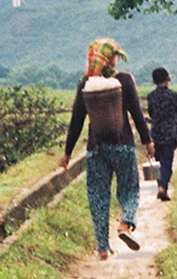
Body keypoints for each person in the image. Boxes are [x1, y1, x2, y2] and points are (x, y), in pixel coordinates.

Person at [60, 38, 154, 260]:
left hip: (96, 149)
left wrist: (67, 152)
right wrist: (147, 140)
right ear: (111, 59)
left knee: (98, 195)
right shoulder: (125, 80)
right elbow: (137, 114)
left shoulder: (85, 84)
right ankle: (125, 225)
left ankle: (102, 247)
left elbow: (76, 121)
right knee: (129, 188)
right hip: (123, 147)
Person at [146, 67, 177, 201]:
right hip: (170, 134)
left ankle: (161, 187)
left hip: (156, 134)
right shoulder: (173, 95)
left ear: (153, 81)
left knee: (159, 162)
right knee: (167, 163)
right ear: (168, 79)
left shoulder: (151, 96)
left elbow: (151, 113)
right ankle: (163, 187)